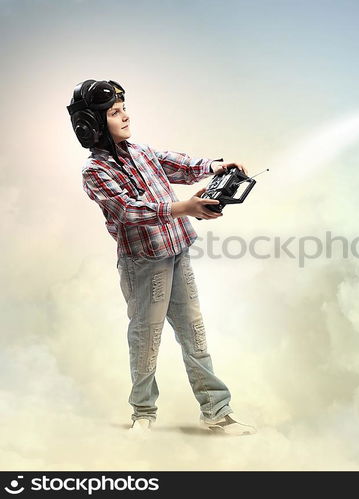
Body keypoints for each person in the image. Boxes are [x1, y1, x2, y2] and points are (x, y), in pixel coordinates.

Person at [66, 79, 256, 436]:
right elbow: (128, 210)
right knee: (146, 339)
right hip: (144, 263)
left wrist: (214, 166)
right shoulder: (94, 172)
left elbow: (175, 163)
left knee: (194, 334)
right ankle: (143, 412)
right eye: (114, 112)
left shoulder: (139, 151)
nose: (125, 116)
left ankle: (216, 411)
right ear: (90, 125)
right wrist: (185, 207)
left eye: (124, 108)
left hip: (177, 253)